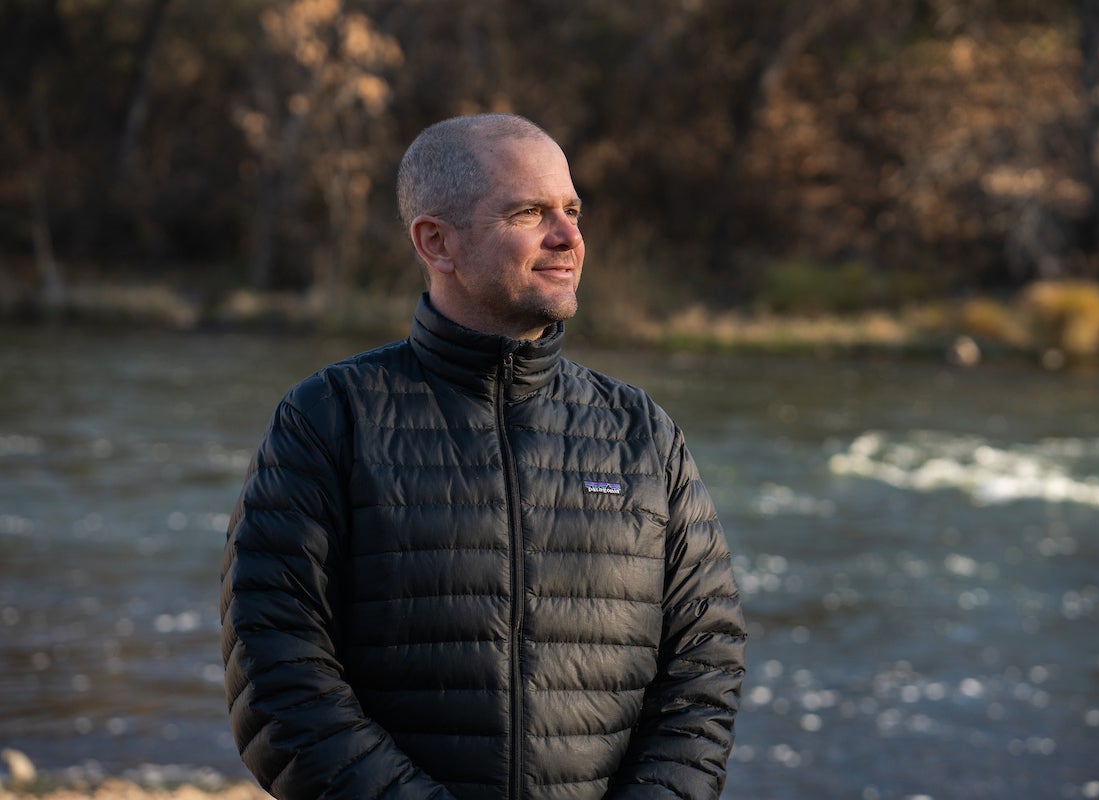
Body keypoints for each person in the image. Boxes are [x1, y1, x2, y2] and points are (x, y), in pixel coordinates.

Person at [220, 113, 747, 800]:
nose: (568, 237)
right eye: (530, 212)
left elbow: (705, 667)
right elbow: (278, 678)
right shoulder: (329, 419)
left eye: (572, 210)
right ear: (436, 242)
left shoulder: (642, 432)